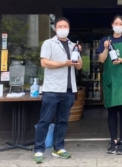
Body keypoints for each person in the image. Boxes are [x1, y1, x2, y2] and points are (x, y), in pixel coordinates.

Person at [33, 17, 82, 164]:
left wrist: (78, 55)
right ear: (55, 29)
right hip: (52, 89)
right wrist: (63, 63)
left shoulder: (73, 45)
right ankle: (39, 149)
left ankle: (59, 147)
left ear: (69, 28)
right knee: (45, 120)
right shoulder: (48, 43)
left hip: (68, 89)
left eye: (65, 26)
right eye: (60, 26)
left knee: (63, 121)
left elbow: (79, 66)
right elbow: (44, 62)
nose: (62, 28)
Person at [96, 15, 122, 155]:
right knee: (111, 111)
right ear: (112, 24)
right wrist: (106, 49)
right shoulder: (104, 40)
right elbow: (101, 59)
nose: (118, 25)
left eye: (120, 23)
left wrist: (120, 60)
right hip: (110, 79)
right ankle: (113, 141)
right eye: (116, 23)